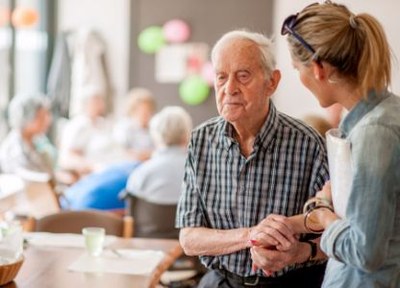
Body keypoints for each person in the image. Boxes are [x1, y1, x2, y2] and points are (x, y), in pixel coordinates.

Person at [252, 2, 400, 287]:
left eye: (298, 69)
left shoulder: (374, 133)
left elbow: (363, 250)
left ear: (318, 68)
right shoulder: (378, 116)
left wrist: (322, 215)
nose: (301, 77)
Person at [176, 30, 330, 288]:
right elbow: (189, 238)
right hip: (221, 281)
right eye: (221, 77)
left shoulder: (308, 143)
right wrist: (251, 236)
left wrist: (297, 253)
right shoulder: (201, 140)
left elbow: (335, 234)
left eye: (243, 76)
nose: (229, 89)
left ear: (272, 82)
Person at [0, 93, 77, 184]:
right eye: (41, 117)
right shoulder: (13, 149)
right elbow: (25, 181)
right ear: (27, 118)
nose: (48, 121)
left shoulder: (39, 141)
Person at [126, 106, 192, 204]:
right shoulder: (199, 172)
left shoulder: (140, 174)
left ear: (156, 135)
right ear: (187, 134)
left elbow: (131, 212)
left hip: (147, 219)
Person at [58, 86, 119, 175]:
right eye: (96, 102)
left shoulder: (103, 123)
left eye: (101, 101)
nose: (100, 105)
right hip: (97, 173)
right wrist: (95, 167)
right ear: (86, 104)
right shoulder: (79, 125)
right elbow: (70, 157)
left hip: (114, 167)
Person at [113, 88, 156, 161]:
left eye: (149, 111)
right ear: (133, 111)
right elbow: (120, 151)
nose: (147, 115)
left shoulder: (154, 127)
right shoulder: (124, 127)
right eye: (143, 111)